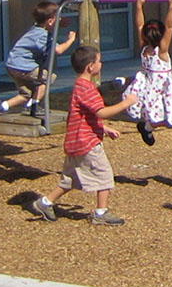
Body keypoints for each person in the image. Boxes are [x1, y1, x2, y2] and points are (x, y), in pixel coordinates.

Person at [26, 45, 139, 225]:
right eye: (99, 61)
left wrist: (104, 128)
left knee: (70, 179)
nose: (101, 64)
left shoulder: (80, 86)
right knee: (105, 175)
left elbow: (87, 116)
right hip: (87, 143)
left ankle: (45, 202)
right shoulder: (86, 88)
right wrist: (127, 103)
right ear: (90, 67)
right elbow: (101, 112)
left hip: (75, 141)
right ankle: (101, 213)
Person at [0, 1, 76, 116]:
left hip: (12, 65)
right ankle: (34, 106)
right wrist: (70, 40)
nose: (60, 21)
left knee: (27, 94)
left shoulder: (36, 29)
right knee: (49, 77)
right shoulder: (42, 35)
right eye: (59, 19)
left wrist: (59, 23)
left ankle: (1, 106)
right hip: (23, 65)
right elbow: (58, 50)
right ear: (50, 21)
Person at [122, 0, 172, 146]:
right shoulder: (162, 52)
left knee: (163, 117)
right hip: (159, 89)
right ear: (161, 36)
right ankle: (147, 127)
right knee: (166, 119)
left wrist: (138, 6)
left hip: (150, 87)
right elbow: (169, 27)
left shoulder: (144, 47)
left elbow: (140, 26)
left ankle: (146, 127)